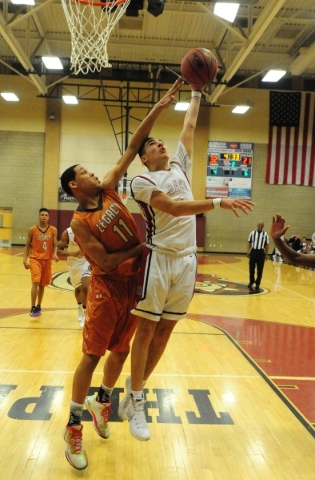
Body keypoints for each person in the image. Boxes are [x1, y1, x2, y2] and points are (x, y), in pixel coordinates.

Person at [59, 78, 184, 471]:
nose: (94, 172)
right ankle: (73, 426)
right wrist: (141, 247)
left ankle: (103, 401)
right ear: (75, 186)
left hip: (134, 285)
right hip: (107, 289)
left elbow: (133, 145)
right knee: (92, 356)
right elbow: (107, 262)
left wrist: (161, 106)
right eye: (85, 171)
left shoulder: (112, 187)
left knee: (122, 351)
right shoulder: (80, 221)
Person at [117, 86, 255, 442]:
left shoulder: (179, 166)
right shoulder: (141, 181)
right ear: (143, 158)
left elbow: (189, 128)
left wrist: (196, 92)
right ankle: (136, 401)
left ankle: (136, 392)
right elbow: (176, 209)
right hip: (159, 259)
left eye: (161, 142)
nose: (160, 145)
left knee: (166, 331)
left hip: (187, 260)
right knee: (146, 330)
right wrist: (217, 203)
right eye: (152, 145)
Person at [23, 208, 59, 317]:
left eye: (46, 215)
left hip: (47, 260)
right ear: (39, 217)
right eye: (42, 215)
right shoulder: (32, 230)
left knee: (42, 285)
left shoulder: (53, 230)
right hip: (35, 259)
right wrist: (24, 260)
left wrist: (55, 253)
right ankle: (32, 306)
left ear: (48, 217)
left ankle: (39, 306)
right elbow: (27, 245)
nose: (44, 216)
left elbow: (55, 245)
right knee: (36, 282)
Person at [57, 227, 91, 327]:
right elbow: (58, 251)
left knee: (85, 288)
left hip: (86, 262)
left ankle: (85, 314)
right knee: (78, 290)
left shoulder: (89, 230)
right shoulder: (67, 232)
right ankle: (80, 307)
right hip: (73, 264)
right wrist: (73, 253)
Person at [246, 221, 269, 292]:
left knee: (260, 269)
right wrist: (248, 251)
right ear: (257, 225)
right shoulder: (252, 233)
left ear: (263, 226)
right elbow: (249, 242)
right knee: (251, 267)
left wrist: (266, 254)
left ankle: (257, 284)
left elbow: (267, 245)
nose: (260, 226)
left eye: (262, 225)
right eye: (259, 225)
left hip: (261, 252)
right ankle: (251, 281)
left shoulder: (265, 234)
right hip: (253, 251)